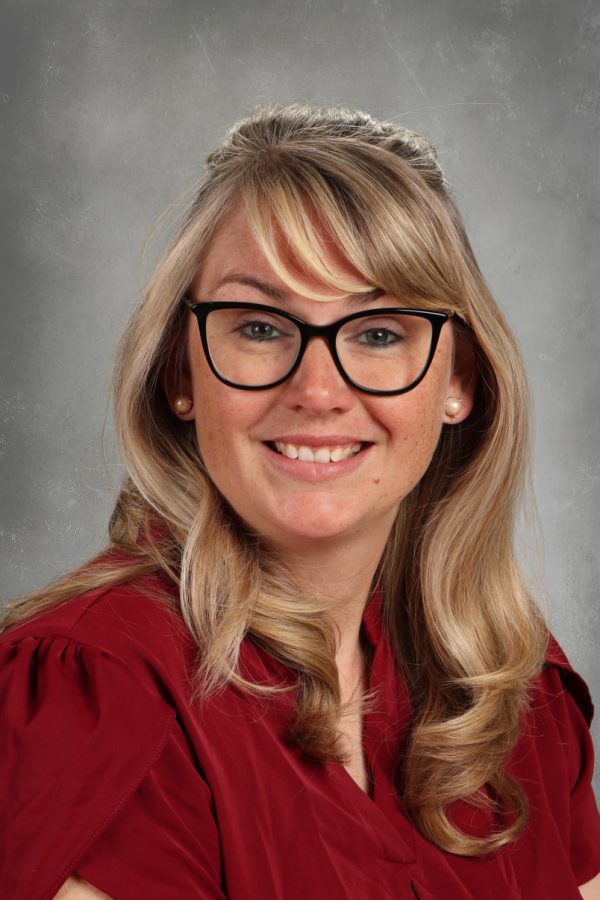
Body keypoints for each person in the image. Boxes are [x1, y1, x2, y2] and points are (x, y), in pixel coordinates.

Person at [1, 102, 599, 900]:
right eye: (259, 326)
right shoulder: (98, 695)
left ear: (460, 381)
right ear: (182, 373)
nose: (317, 392)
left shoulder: (511, 690)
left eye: (379, 332)